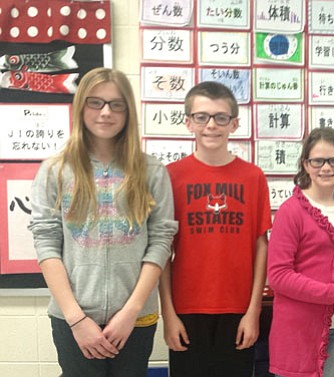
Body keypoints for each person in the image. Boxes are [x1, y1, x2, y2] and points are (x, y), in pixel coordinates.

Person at [28, 67, 178, 377]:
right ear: (81, 105)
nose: (106, 112)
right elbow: (46, 243)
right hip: (73, 319)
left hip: (135, 319)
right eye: (96, 102)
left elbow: (161, 241)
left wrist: (131, 312)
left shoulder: (152, 171)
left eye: (116, 104)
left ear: (127, 111)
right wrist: (77, 319)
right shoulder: (55, 170)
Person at [159, 81, 272, 377]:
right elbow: (161, 252)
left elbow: (261, 246)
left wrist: (254, 310)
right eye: (202, 116)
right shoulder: (171, 177)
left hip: (238, 310)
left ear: (234, 124)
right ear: (188, 122)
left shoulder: (253, 177)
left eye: (221, 117)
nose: (211, 125)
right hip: (187, 308)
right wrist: (168, 314)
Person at [267, 127, 334, 377]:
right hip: (298, 332)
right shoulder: (291, 211)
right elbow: (278, 277)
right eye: (318, 161)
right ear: (305, 164)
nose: (326, 168)